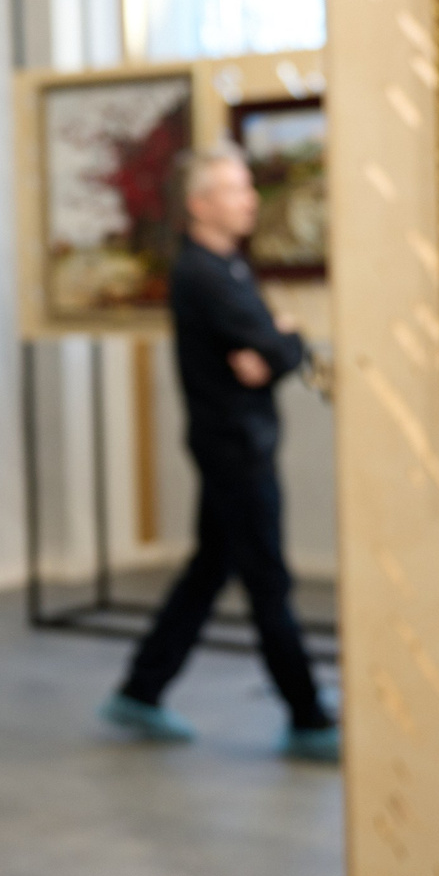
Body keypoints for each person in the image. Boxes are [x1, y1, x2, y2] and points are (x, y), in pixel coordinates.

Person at [101, 147, 338, 761]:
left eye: (249, 189)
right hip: (234, 451)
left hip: (238, 443)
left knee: (210, 571)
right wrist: (281, 341)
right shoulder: (203, 274)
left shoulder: (226, 267)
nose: (250, 199)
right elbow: (277, 349)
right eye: (235, 190)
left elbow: (275, 353)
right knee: (268, 581)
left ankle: (141, 688)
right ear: (200, 205)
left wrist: (279, 344)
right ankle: (308, 715)